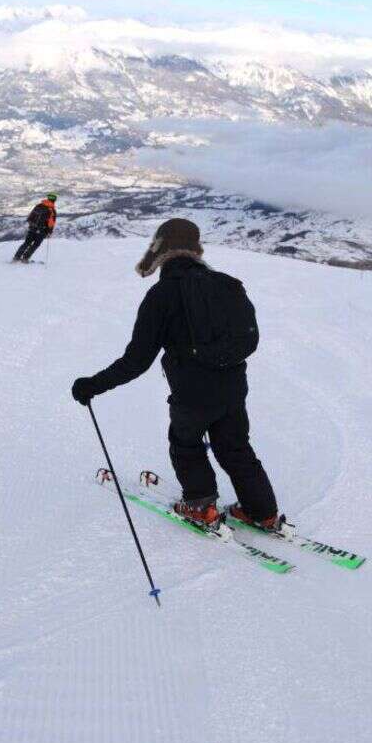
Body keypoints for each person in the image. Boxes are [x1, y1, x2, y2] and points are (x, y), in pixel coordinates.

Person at [70, 218, 282, 530]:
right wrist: (216, 358)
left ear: (161, 251)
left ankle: (200, 508)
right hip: (233, 386)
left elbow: (137, 359)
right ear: (196, 250)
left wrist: (93, 385)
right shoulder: (229, 285)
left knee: (186, 442)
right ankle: (262, 511)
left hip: (191, 390)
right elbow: (249, 339)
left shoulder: (161, 295)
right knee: (234, 446)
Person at [13, 193, 57, 263]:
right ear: (54, 200)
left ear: (48, 198)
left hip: (32, 228)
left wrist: (31, 225)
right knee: (35, 245)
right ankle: (25, 258)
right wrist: (49, 232)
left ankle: (16, 257)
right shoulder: (52, 210)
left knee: (26, 243)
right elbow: (51, 223)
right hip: (42, 231)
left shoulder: (39, 206)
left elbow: (30, 216)